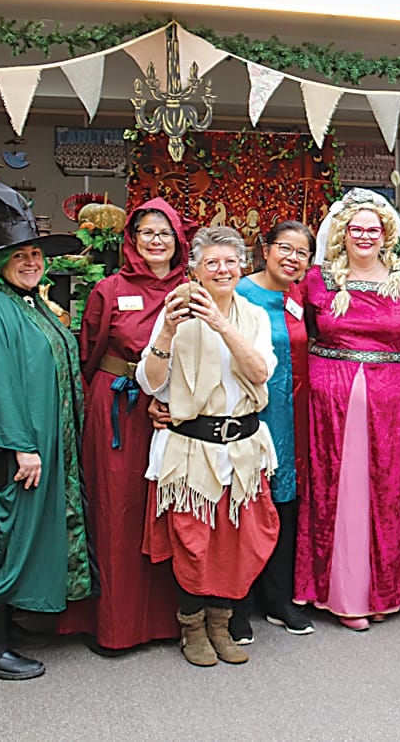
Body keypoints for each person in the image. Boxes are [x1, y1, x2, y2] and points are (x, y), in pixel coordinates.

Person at [0, 172, 91, 681]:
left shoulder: (25, 302)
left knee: (21, 538)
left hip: (33, 447)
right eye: (22, 256)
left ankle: (8, 628)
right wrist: (19, 447)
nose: (33, 263)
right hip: (7, 452)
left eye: (37, 255)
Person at [137, 226, 279, 667]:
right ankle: (193, 627)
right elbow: (150, 382)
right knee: (193, 542)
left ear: (242, 266)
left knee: (242, 540)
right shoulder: (174, 310)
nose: (222, 269)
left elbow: (259, 373)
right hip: (191, 446)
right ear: (195, 269)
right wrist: (166, 335)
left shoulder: (253, 315)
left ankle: (222, 623)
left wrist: (219, 322)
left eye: (230, 261)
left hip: (242, 446)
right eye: (211, 262)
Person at [56, 198, 194, 655]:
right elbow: (89, 351)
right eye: (147, 233)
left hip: (174, 409)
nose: (156, 241)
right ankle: (114, 625)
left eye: (165, 233)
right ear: (132, 241)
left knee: (167, 510)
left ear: (178, 241)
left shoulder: (193, 290)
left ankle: (171, 620)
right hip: (117, 407)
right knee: (115, 510)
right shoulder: (109, 289)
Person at [295, 190, 400, 631]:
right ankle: (343, 593)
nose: (364, 236)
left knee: (388, 489)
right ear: (343, 233)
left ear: (386, 234)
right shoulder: (318, 281)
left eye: (373, 229)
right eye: (356, 229)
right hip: (329, 400)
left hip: (392, 405)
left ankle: (386, 589)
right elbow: (304, 332)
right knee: (339, 489)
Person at [231, 221, 316, 641]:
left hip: (292, 415)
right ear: (265, 249)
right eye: (285, 248)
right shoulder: (239, 292)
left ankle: (279, 599)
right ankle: (238, 604)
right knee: (246, 506)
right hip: (250, 415)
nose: (292, 258)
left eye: (302, 252)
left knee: (285, 503)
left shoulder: (298, 296)